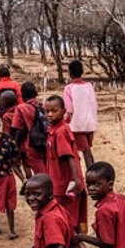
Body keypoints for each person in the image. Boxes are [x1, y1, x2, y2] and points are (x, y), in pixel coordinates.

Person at [44, 95, 87, 234]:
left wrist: (76, 181)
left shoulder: (61, 132)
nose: (50, 114)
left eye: (54, 111)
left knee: (66, 219)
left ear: (63, 111)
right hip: (58, 182)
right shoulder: (53, 130)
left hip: (65, 185)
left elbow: (70, 157)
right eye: (47, 111)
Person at [63, 60, 98, 169]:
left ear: (70, 74)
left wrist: (65, 121)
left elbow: (69, 109)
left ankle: (91, 175)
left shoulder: (69, 88)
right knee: (88, 150)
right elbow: (95, 105)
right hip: (90, 123)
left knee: (85, 152)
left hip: (77, 125)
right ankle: (93, 172)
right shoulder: (89, 86)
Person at [11, 82, 47, 179]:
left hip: (33, 145)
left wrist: (16, 148)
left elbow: (18, 130)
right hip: (47, 143)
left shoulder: (21, 108)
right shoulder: (43, 106)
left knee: (40, 174)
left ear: (23, 95)